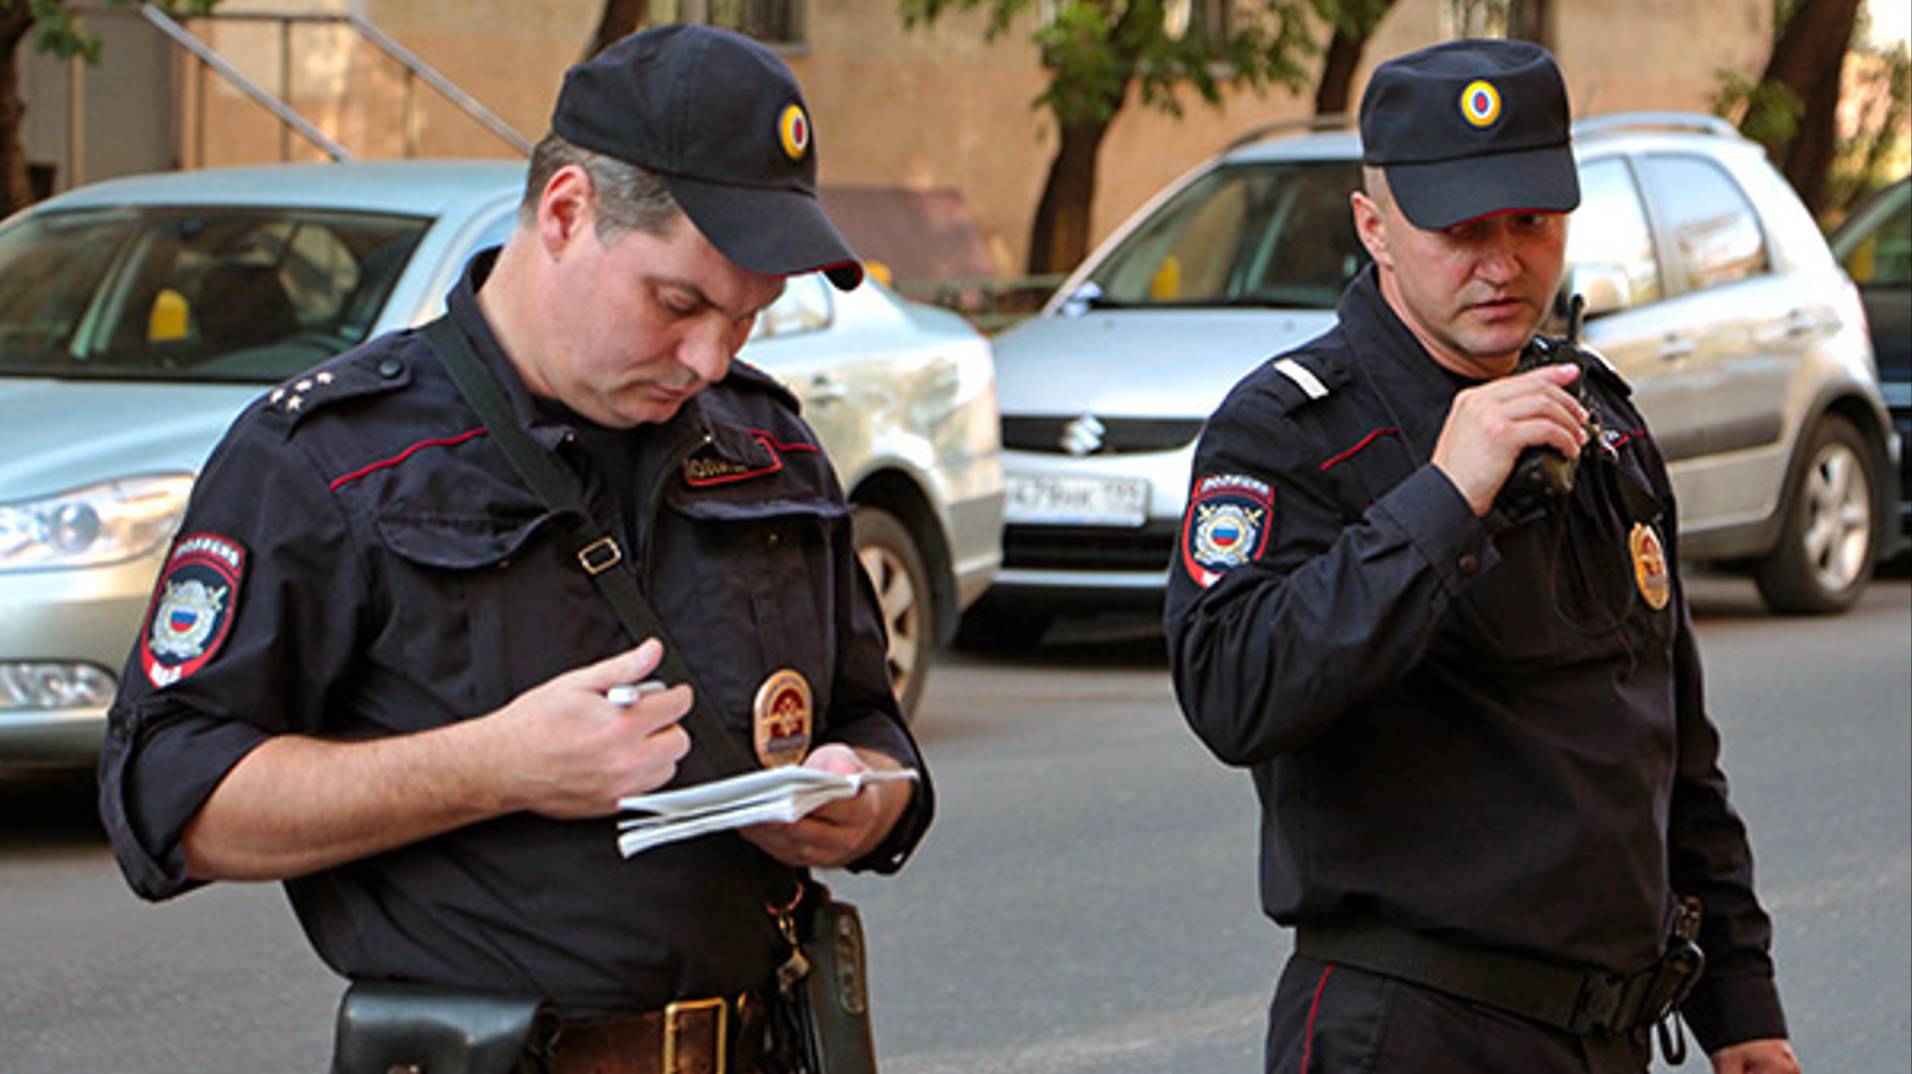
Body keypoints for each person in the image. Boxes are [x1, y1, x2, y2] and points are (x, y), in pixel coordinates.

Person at [98, 24, 931, 1073]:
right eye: (678, 303)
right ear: (566, 212)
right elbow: (171, 797)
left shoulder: (770, 446)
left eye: (748, 317)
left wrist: (866, 797)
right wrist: (493, 766)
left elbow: (869, 722)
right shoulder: (330, 460)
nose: (709, 357)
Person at [1163, 39, 1800, 1074]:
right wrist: (1442, 499)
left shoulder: (1601, 421)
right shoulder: (1288, 432)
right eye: (1460, 231)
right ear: (1374, 226)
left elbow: (1668, 744)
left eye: (1531, 223)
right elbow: (1234, 691)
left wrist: (1741, 1006)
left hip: (1606, 1034)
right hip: (1412, 1028)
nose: (1502, 265)